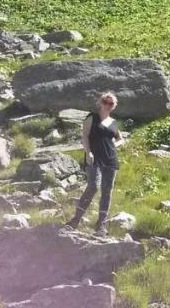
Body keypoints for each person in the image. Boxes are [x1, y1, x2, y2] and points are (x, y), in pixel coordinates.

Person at [65, 92, 123, 236]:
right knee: (93, 187)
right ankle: (75, 220)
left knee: (107, 190)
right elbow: (84, 136)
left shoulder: (113, 122)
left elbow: (121, 138)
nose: (108, 105)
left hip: (110, 159)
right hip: (94, 158)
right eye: (105, 102)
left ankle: (101, 225)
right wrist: (88, 151)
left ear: (114, 106)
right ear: (100, 103)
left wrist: (116, 144)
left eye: (111, 104)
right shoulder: (92, 117)